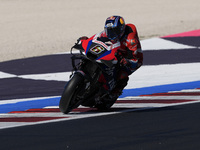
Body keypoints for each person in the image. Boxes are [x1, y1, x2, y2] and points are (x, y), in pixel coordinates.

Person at [77, 15, 143, 106]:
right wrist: (86, 40)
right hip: (116, 49)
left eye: (114, 31)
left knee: (122, 75)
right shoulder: (109, 33)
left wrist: (126, 61)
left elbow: (135, 59)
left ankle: (114, 93)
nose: (111, 33)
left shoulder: (131, 40)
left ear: (121, 29)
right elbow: (98, 37)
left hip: (132, 58)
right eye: (109, 30)